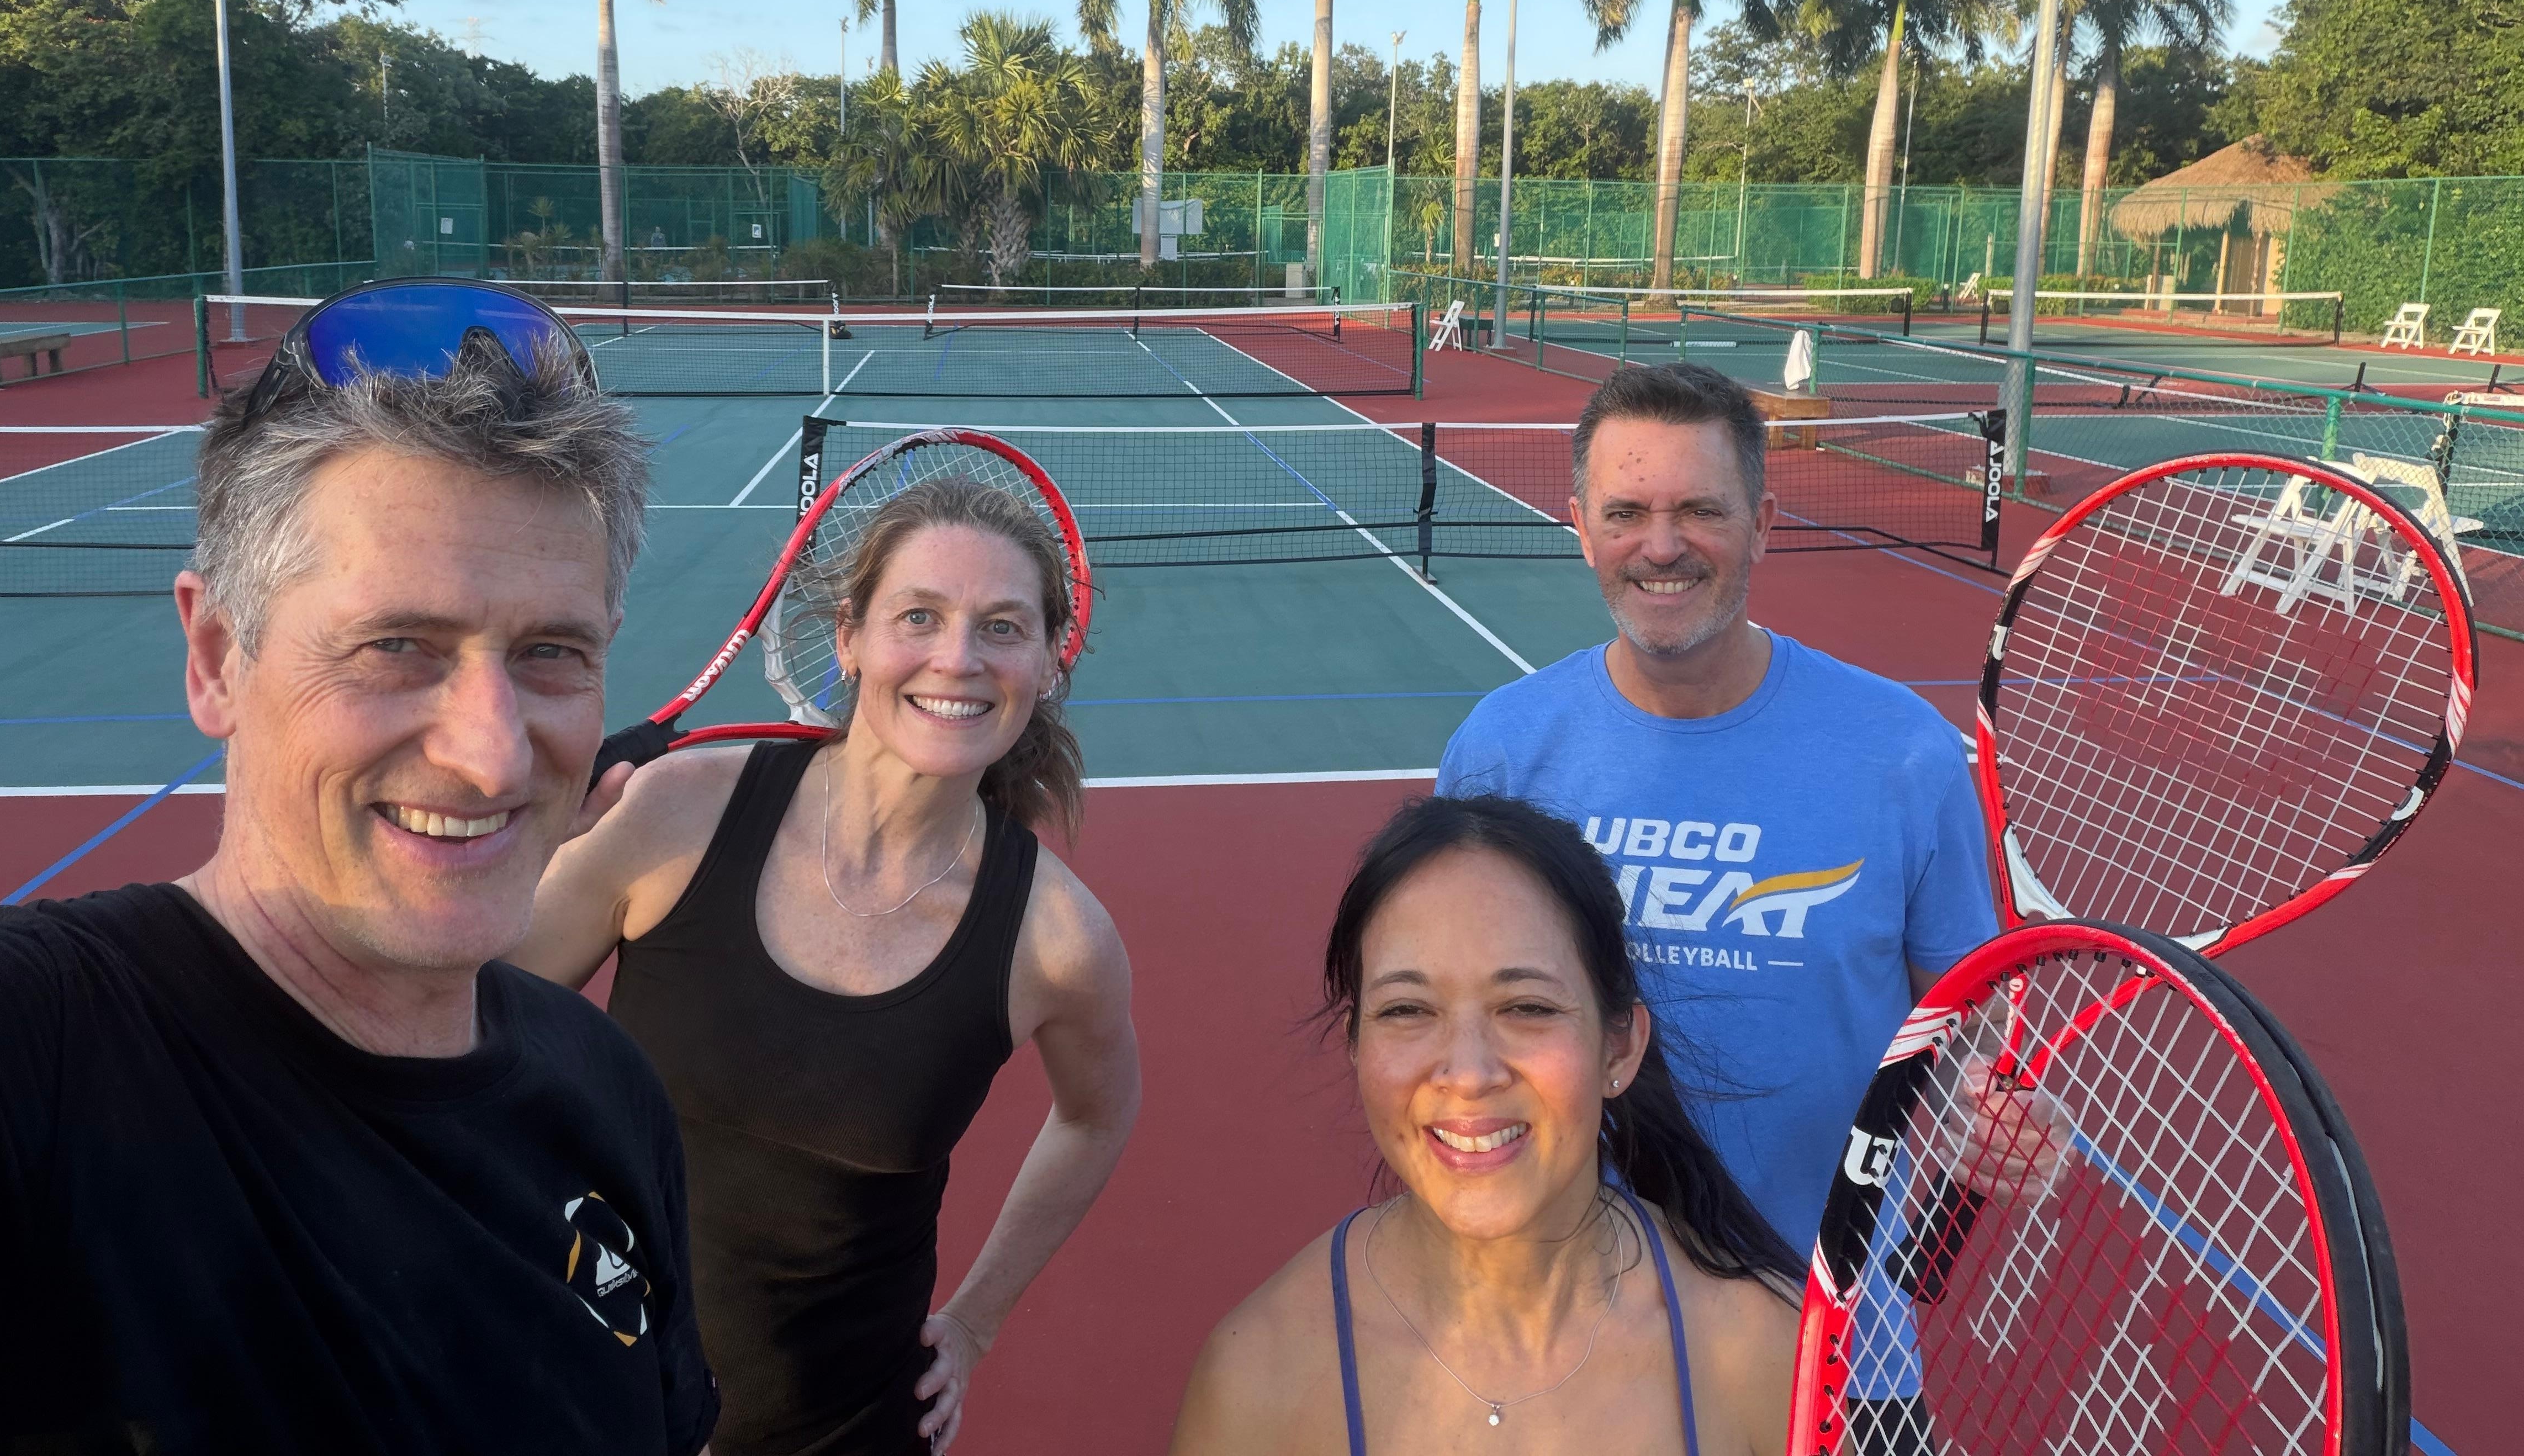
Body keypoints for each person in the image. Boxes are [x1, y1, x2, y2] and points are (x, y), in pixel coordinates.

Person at [0, 278, 718, 1454]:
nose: (493, 752)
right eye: (395, 645)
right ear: (216, 658)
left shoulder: (604, 1088)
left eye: (551, 651)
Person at [1435, 361, 2002, 1447]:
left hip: (1835, 1344)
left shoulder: (1902, 755)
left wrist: (1992, 1112)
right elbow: (1450, 1027)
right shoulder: (1499, 751)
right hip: (1562, 1338)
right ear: (1580, 528)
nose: (1662, 546)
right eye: (1626, 513)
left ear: (1763, 524)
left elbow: (1968, 1016)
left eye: (1700, 509)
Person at [518, 475, 1141, 1454]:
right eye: (919, 616)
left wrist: (975, 1320)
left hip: (845, 1428)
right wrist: (515, 851)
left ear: (1047, 660)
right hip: (592, 1391)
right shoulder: (675, 813)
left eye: (1002, 627)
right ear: (849, 637)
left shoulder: (1057, 939)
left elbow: (1097, 1116)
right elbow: (462, 1018)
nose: (958, 658)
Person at [1170, 793, 1799, 1454]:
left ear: (1619, 1047)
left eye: (1527, 1007)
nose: (1468, 1075)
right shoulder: (1257, 1380)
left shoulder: (1761, 1351)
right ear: (1356, 1046)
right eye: (1408, 1010)